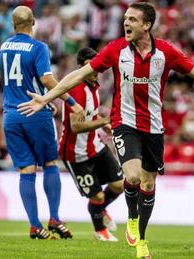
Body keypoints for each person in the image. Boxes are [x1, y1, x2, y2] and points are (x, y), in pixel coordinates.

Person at [17, 2, 194, 257]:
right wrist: (47, 97)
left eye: (132, 19)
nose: (126, 23)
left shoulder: (166, 53)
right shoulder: (116, 49)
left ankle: (141, 238)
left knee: (149, 184)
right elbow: (79, 74)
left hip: (153, 126)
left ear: (147, 25)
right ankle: (132, 218)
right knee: (131, 177)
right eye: (125, 18)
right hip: (124, 122)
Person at [0, 6, 83, 239]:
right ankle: (55, 218)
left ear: (13, 24)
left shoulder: (3, 47)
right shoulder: (39, 47)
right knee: (49, 163)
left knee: (26, 169)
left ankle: (35, 226)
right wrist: (71, 101)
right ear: (33, 22)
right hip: (35, 113)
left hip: (11, 115)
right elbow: (46, 79)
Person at [59, 47, 123, 242]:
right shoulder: (77, 89)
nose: (94, 70)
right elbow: (76, 127)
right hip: (75, 154)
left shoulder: (93, 87)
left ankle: (100, 210)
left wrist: (105, 129)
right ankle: (100, 231)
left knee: (119, 185)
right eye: (89, 66)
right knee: (97, 197)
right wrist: (104, 121)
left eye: (96, 66)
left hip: (95, 145)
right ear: (81, 67)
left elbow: (91, 116)